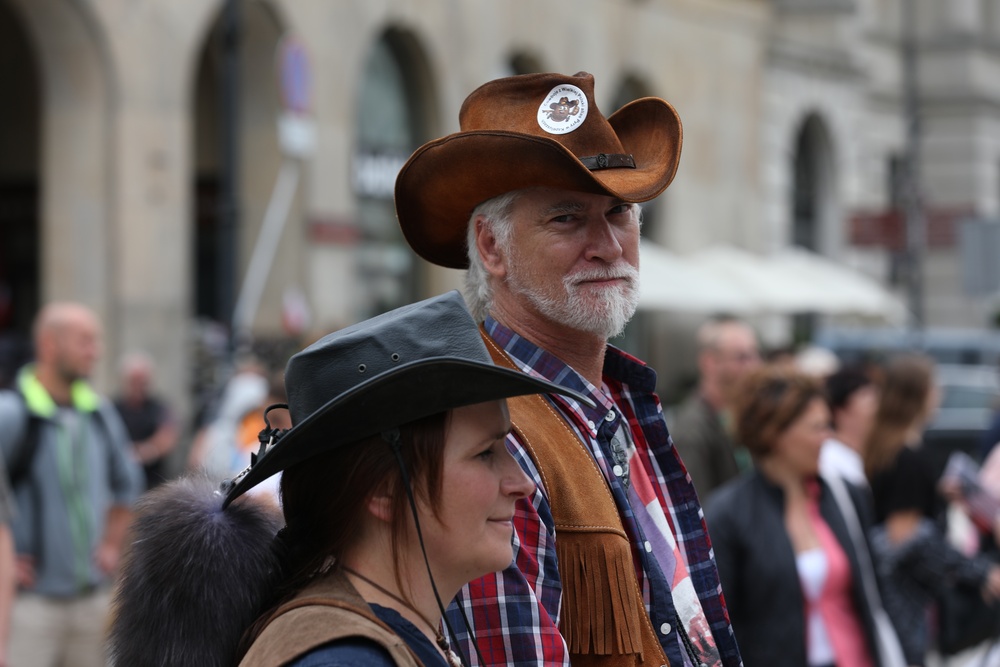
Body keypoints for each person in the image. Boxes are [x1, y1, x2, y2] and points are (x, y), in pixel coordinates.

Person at [394, 71, 740, 666]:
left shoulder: (617, 402)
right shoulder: (484, 431)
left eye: (618, 212)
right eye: (566, 218)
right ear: (491, 247)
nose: (607, 244)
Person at [108, 290, 591, 667]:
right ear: (381, 489)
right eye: (485, 453)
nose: (521, 482)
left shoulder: (393, 632)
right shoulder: (343, 658)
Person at [705, 366, 889, 667]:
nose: (828, 437)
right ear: (776, 433)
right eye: (817, 427)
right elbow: (722, 626)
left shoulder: (844, 495)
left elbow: (875, 589)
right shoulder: (729, 515)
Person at [0, 302, 143, 667]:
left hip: (92, 602)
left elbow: (128, 483)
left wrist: (111, 545)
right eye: (85, 341)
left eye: (95, 342)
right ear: (50, 344)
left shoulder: (98, 412)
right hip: (28, 607)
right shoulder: (11, 412)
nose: (95, 352)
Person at [864, 353, 1000, 666]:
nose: (939, 395)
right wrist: (977, 571)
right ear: (921, 394)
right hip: (904, 600)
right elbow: (903, 536)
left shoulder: (883, 447)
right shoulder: (909, 457)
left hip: (890, 596)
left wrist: (936, 495)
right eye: (934, 387)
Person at [672, 316, 761, 497]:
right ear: (709, 362)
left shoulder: (741, 415)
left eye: (755, 355)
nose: (754, 367)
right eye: (742, 358)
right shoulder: (692, 429)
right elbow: (697, 508)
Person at [113, 351, 179, 490]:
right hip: (119, 485)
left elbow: (168, 436)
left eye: (142, 381)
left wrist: (143, 452)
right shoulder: (112, 408)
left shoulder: (159, 407)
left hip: (153, 484)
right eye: (134, 381)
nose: (138, 386)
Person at [820, 366, 879, 487]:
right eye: (869, 401)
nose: (877, 409)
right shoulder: (828, 461)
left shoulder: (868, 456)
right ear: (839, 411)